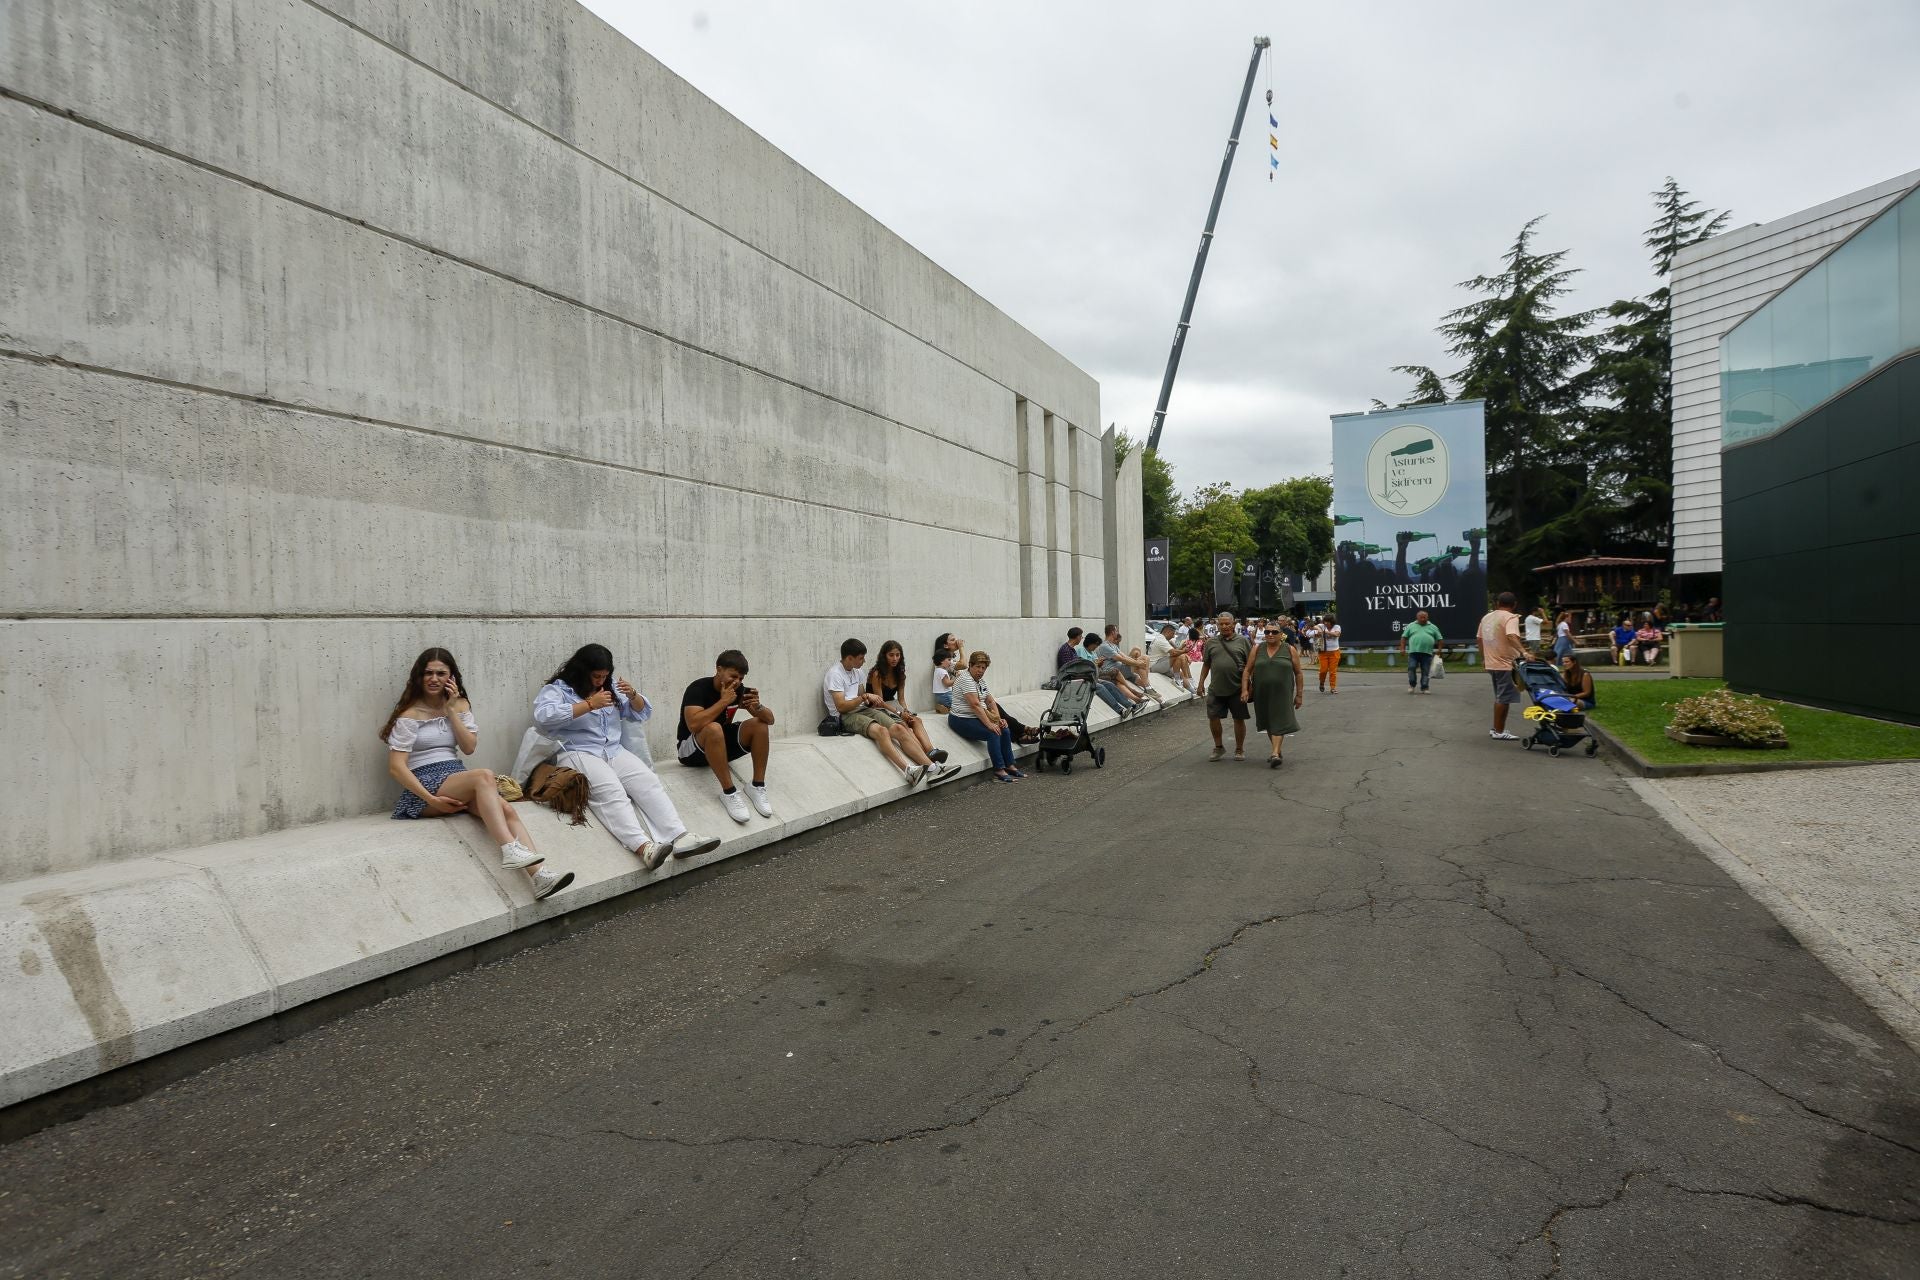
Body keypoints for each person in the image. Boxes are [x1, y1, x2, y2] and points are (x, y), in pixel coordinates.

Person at [383, 648, 573, 901]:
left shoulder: (460, 706)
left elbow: (469, 747)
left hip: (456, 778)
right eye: (428, 673)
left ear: (451, 678)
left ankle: (539, 876)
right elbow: (396, 767)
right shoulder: (409, 715)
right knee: (484, 775)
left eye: (441, 673)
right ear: (419, 677)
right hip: (424, 786)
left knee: (507, 810)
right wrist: (432, 799)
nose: (434, 678)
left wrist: (450, 710)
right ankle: (509, 848)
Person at [533, 643, 720, 870]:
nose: (600, 681)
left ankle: (680, 837)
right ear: (581, 671)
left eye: (605, 675)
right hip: (576, 750)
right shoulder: (559, 689)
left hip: (612, 749)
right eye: (596, 676)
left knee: (647, 781)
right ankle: (644, 847)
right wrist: (589, 704)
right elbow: (544, 717)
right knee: (611, 789)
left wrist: (632, 695)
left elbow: (641, 712)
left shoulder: (610, 688)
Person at [824, 639, 959, 787]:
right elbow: (842, 707)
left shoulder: (858, 672)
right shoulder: (835, 674)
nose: (863, 661)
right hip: (845, 716)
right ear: (849, 658)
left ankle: (933, 768)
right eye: (861, 658)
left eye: (898, 655)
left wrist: (868, 700)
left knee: (899, 728)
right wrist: (864, 697)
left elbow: (862, 695)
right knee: (882, 731)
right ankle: (908, 771)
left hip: (863, 708)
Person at [675, 649, 774, 824]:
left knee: (759, 725)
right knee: (713, 728)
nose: (736, 682)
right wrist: (723, 702)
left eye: (741, 679)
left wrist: (757, 706)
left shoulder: (739, 690)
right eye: (733, 676)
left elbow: (770, 720)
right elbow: (694, 725)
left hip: (718, 746)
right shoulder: (698, 688)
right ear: (719, 670)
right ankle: (729, 792)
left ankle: (757, 786)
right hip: (691, 750)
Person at [868, 639, 949, 764]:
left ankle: (931, 751)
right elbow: (879, 702)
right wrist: (900, 714)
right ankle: (925, 757)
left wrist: (906, 711)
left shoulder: (900, 672)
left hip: (893, 704)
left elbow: (901, 699)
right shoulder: (877, 673)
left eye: (897, 655)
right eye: (891, 655)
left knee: (916, 720)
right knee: (904, 725)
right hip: (878, 707)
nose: (895, 658)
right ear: (884, 656)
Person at [949, 650, 1025, 782]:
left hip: (976, 716)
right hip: (961, 719)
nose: (980, 670)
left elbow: (990, 701)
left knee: (1005, 729)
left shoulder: (980, 681)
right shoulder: (966, 679)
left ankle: (1010, 765)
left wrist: (998, 719)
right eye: (977, 666)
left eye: (983, 668)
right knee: (993, 732)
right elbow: (975, 706)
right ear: (970, 665)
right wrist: (990, 724)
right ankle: (999, 769)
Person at [1239, 618, 1303, 768]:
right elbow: (1247, 670)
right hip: (1262, 693)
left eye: (1274, 632)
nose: (1270, 634)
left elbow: (1298, 673)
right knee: (1268, 721)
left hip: (1283, 693)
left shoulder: (1289, 649)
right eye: (1267, 631)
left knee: (1278, 721)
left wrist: (1299, 695)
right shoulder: (1257, 649)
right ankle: (1277, 750)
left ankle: (1274, 753)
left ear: (1281, 634)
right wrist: (1244, 689)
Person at [1476, 593, 1533, 740]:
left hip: (1491, 663)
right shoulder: (1510, 617)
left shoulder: (1486, 617)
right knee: (1504, 698)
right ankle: (1499, 731)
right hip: (1506, 663)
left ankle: (1497, 728)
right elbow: (1511, 636)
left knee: (1501, 696)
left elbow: (1479, 638)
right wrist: (1524, 652)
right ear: (1514, 604)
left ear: (1497, 603)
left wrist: (1483, 658)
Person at [1199, 611, 1254, 762]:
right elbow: (1206, 664)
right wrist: (1200, 683)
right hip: (1216, 689)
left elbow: (1251, 665)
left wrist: (1250, 686)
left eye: (1227, 623)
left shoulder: (1243, 641)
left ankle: (1239, 748)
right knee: (1213, 717)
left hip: (1237, 689)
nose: (1224, 626)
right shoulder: (1211, 642)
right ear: (1217, 625)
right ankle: (1218, 747)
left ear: (1233, 623)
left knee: (1239, 719)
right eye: (1221, 624)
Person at [1080, 627, 1143, 717]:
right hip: (1087, 677)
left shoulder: (1093, 652)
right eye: (1095, 645)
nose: (1096, 648)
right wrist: (1096, 663)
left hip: (1095, 675)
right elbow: (1083, 666)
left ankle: (1131, 705)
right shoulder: (1081, 651)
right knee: (1102, 686)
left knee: (1110, 684)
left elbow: (1097, 667)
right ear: (1090, 643)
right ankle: (1120, 710)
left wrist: (1099, 664)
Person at [1103, 624, 1165, 709]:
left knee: (1145, 658)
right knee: (1141, 663)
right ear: (1113, 632)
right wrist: (1137, 663)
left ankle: (1159, 699)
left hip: (1122, 669)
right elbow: (1122, 659)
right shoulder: (1105, 646)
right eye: (1116, 631)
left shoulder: (1112, 645)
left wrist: (1136, 661)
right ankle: (1148, 688)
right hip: (1114, 671)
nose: (1117, 633)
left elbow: (1125, 657)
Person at [1400, 610, 1442, 694]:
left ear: (1427, 617)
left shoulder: (1433, 626)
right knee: (1411, 668)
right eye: (1421, 617)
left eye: (1425, 617)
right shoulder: (1411, 626)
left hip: (1427, 653)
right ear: (1417, 617)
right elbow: (1403, 638)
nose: (1423, 619)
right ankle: (1412, 685)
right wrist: (1402, 649)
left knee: (1426, 671)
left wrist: (1439, 649)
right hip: (1413, 652)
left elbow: (1440, 639)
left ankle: (1424, 687)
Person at [1314, 616, 1342, 694]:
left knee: (1333, 671)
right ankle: (1321, 682)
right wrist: (1319, 629)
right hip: (1323, 652)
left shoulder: (1337, 627)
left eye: (1328, 622)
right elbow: (1314, 626)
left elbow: (1337, 634)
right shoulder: (1322, 626)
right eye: (1325, 621)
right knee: (1323, 670)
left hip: (1334, 652)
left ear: (1332, 622)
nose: (1326, 623)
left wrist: (1325, 632)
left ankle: (1333, 687)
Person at [931, 633, 959, 711]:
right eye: (949, 660)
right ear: (942, 661)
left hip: (939, 696)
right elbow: (947, 683)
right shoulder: (943, 672)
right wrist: (957, 678)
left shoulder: (937, 670)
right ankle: (945, 707)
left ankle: (943, 707)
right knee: (957, 706)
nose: (950, 662)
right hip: (946, 695)